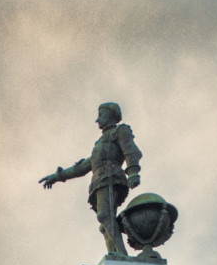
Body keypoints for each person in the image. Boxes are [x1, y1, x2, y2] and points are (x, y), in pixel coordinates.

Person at [39, 102, 142, 254]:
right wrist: (57, 176)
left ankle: (121, 255)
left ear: (111, 115)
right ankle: (113, 255)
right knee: (105, 223)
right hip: (99, 182)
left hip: (111, 178)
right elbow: (83, 167)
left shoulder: (120, 131)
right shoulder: (99, 143)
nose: (97, 120)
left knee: (104, 216)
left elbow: (131, 151)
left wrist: (133, 172)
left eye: (101, 115)